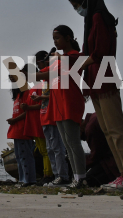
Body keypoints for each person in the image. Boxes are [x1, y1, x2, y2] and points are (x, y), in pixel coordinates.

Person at [70, 0, 123, 190]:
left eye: (77, 6)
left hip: (104, 76)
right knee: (107, 130)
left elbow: (100, 52)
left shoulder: (99, 18)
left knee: (116, 128)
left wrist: (78, 65)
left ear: (86, 1)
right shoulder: (91, 20)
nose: (77, 10)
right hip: (95, 78)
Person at [34, 26, 86, 188]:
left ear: (68, 37)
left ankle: (81, 178)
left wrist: (56, 57)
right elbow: (43, 73)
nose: (55, 42)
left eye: (57, 38)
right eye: (54, 39)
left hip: (70, 102)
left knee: (73, 142)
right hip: (57, 105)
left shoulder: (74, 56)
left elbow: (64, 65)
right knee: (67, 145)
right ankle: (75, 178)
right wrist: (23, 74)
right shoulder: (58, 60)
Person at [31, 51, 69, 186]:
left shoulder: (53, 76)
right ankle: (56, 176)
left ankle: (62, 176)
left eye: (39, 63)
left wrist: (41, 98)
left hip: (53, 116)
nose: (39, 67)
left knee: (58, 148)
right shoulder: (45, 80)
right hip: (44, 116)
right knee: (50, 149)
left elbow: (56, 95)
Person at [81, 113, 123, 188]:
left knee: (88, 180)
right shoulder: (95, 116)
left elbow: (96, 155)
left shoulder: (90, 127)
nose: (83, 139)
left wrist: (81, 165)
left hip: (121, 160)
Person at [6, 84, 36, 186]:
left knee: (25, 155)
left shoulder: (26, 93)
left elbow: (28, 111)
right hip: (16, 130)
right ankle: (22, 179)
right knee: (19, 156)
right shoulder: (17, 97)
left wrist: (14, 120)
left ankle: (29, 179)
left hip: (23, 130)